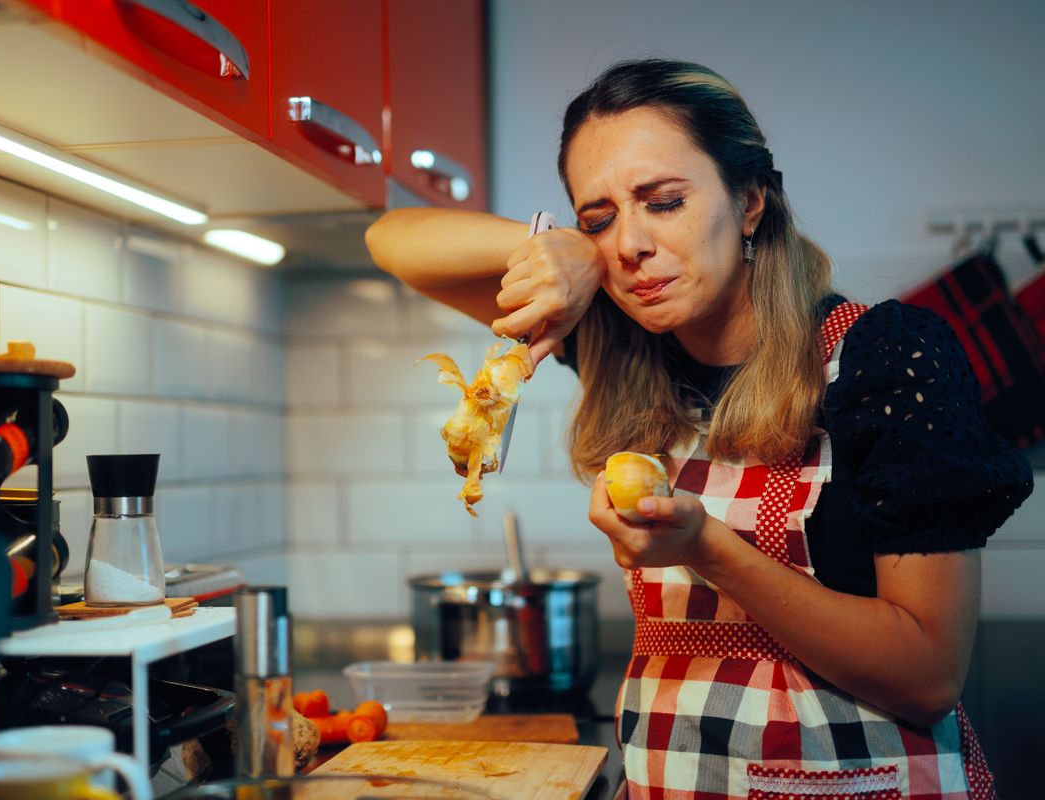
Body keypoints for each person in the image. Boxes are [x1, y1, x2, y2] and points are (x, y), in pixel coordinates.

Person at [365, 58, 1033, 799]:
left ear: (750, 201)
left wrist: (707, 548)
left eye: (664, 202)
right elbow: (393, 240)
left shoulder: (885, 356)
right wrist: (558, 247)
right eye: (601, 217)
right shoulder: (627, 353)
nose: (630, 245)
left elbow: (929, 674)